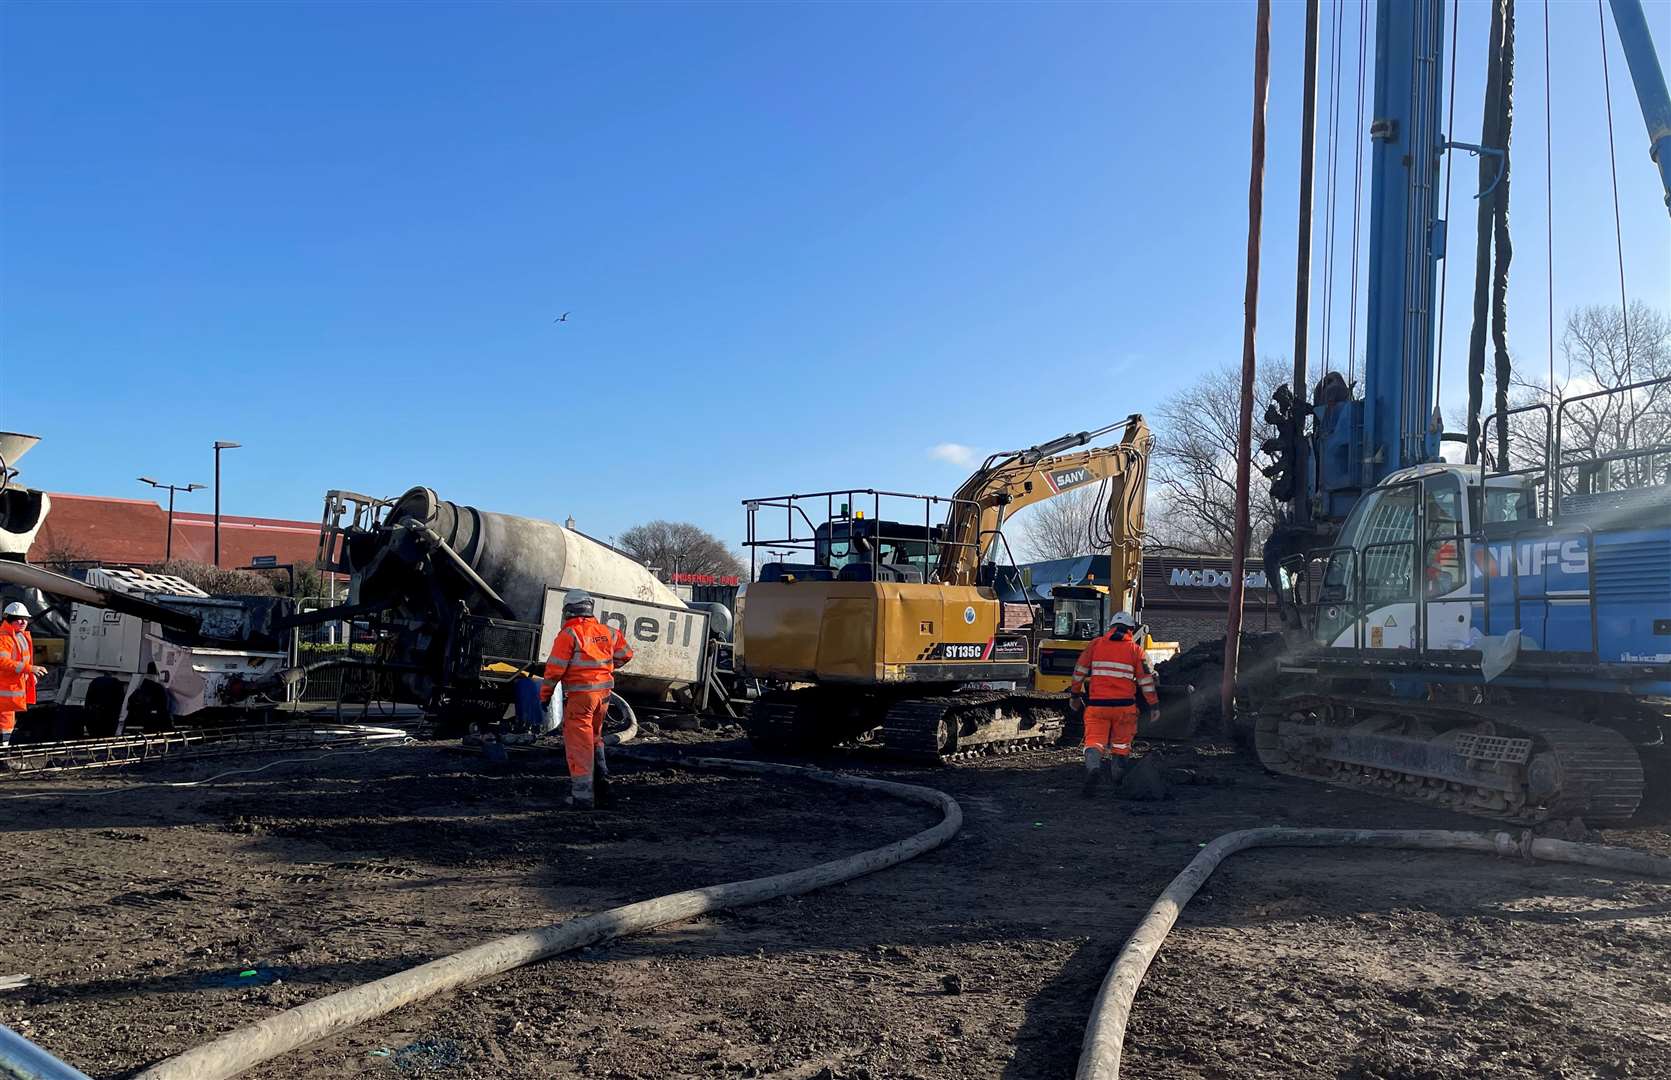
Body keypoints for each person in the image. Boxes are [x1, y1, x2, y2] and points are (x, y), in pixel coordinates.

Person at [541, 589, 633, 809]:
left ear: (568, 610)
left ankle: (582, 797)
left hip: (580, 699)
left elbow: (554, 670)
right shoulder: (607, 632)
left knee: (579, 744)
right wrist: (606, 668)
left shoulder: (569, 634)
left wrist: (544, 696)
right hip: (603, 697)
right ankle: (603, 786)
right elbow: (626, 654)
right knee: (594, 738)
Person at [1068, 610, 1159, 797]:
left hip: (1098, 706)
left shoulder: (1095, 645)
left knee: (1094, 741)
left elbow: (1079, 672)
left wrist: (1075, 696)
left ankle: (1093, 768)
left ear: (1111, 628)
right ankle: (1117, 778)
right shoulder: (1136, 650)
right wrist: (1154, 706)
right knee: (1121, 745)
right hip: (1124, 708)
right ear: (1130, 630)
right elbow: (1146, 681)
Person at [0, 602, 44, 747]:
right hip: (4, 691)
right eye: (19, 618)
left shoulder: (19, 636)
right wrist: (29, 669)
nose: (23, 621)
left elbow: (21, 661)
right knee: (5, 726)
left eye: (26, 618)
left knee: (7, 726)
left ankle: (4, 757)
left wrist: (30, 675)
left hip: (10, 691)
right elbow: (2, 661)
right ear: (9, 619)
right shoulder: (4, 638)